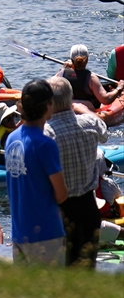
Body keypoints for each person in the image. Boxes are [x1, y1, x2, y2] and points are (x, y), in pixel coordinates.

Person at [46, 75, 108, 268]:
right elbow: (104, 134)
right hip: (90, 207)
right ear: (71, 99)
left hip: (60, 209)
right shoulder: (91, 123)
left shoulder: (46, 132)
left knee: (62, 267)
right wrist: (85, 110)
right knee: (87, 267)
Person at [4, 79, 67, 266]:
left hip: (19, 233)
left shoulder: (11, 139)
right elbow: (61, 195)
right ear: (48, 106)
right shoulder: (46, 144)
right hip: (46, 234)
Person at [57, 44, 109, 113]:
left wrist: (63, 68)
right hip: (88, 112)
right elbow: (105, 99)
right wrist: (119, 88)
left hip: (67, 110)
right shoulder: (91, 77)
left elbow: (48, 88)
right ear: (87, 59)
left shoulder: (61, 74)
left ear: (71, 60)